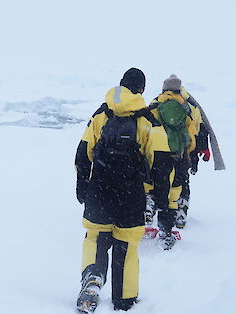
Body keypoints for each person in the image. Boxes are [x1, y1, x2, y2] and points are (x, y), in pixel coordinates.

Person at [74, 68, 173, 312]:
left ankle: (93, 278)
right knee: (127, 245)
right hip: (131, 194)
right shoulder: (148, 120)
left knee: (96, 238)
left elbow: (82, 154)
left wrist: (83, 187)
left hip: (100, 190)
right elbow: (162, 164)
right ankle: (125, 300)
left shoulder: (101, 115)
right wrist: (160, 198)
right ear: (141, 89)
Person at [149, 74, 225, 230]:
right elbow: (199, 129)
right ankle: (180, 215)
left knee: (158, 182)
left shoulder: (156, 103)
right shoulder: (189, 106)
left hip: (159, 153)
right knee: (182, 183)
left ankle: (154, 209)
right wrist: (200, 151)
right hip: (183, 152)